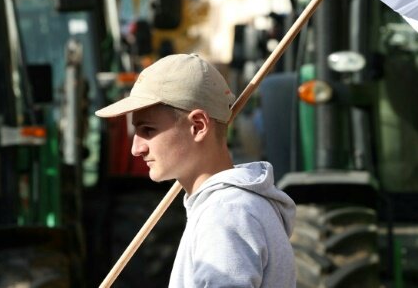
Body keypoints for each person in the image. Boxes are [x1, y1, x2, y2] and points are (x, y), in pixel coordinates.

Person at [95, 53, 296, 288]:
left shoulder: (226, 214)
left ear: (198, 126)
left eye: (148, 130)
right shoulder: (227, 207)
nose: (136, 149)